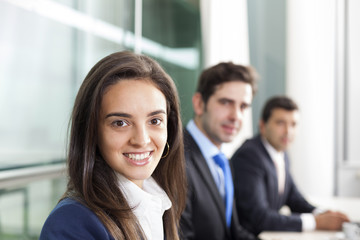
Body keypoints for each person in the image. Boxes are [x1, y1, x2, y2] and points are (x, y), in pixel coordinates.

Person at [39, 51, 186, 240]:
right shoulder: (71, 223)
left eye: (155, 121)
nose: (141, 140)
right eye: (120, 123)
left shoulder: (158, 203)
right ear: (92, 131)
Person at [231, 96, 350, 236]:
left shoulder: (281, 153)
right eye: (280, 123)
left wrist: (322, 213)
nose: (288, 131)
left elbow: (293, 198)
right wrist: (315, 222)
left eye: (293, 124)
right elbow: (259, 217)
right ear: (262, 126)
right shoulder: (249, 156)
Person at [180, 62, 259, 240]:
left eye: (243, 106)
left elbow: (233, 232)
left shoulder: (222, 160)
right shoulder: (177, 159)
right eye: (225, 102)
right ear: (199, 103)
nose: (236, 116)